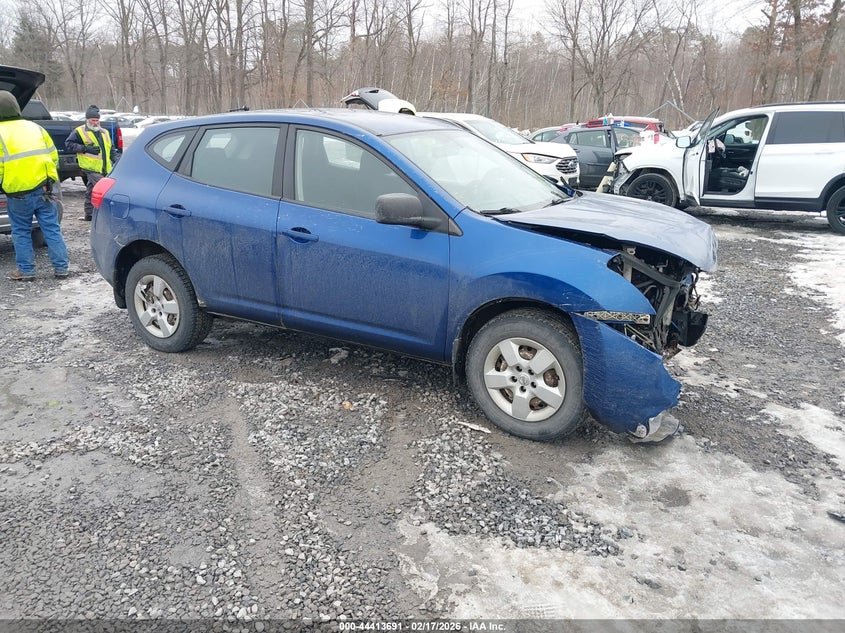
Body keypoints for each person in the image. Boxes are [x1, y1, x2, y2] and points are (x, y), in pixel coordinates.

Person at [0, 90, 69, 281]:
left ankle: (27, 271)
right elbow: (53, 156)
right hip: (44, 190)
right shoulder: (36, 128)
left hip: (18, 194)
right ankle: (61, 268)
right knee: (51, 229)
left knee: (21, 232)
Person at [65, 105, 120, 221]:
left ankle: (89, 214)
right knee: (105, 188)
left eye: (97, 120)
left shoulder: (104, 132)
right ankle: (109, 215)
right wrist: (85, 148)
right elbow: (69, 144)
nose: (95, 123)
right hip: (89, 167)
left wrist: (116, 160)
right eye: (93, 120)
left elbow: (111, 148)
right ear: (87, 120)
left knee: (91, 190)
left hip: (104, 168)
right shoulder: (79, 131)